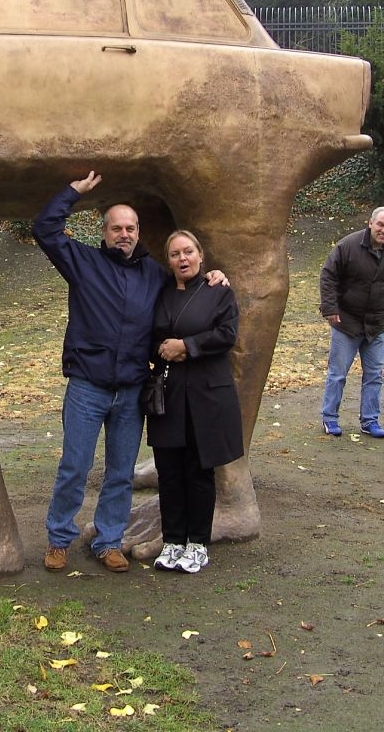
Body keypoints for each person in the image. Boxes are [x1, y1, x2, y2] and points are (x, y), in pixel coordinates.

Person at [33, 171, 226, 574]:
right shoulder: (83, 262)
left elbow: (185, 287)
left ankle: (108, 540)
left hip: (132, 390)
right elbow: (45, 229)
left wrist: (213, 277)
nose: (124, 234)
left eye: (131, 228)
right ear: (104, 232)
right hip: (88, 386)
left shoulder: (154, 275)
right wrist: (72, 193)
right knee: (75, 467)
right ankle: (59, 539)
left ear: (138, 232)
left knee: (120, 472)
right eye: (117, 228)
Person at [148, 230, 242, 575]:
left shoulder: (219, 291)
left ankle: (197, 543)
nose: (182, 259)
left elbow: (227, 334)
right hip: (169, 395)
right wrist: (161, 348)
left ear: (201, 255)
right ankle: (173, 541)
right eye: (175, 254)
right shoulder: (161, 293)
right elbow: (148, 335)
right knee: (169, 471)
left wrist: (186, 346)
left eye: (188, 252)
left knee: (199, 470)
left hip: (206, 394)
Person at [320, 206, 384, 438]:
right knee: (338, 374)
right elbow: (328, 276)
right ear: (370, 223)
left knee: (374, 376)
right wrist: (330, 308)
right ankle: (330, 418)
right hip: (346, 322)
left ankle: (370, 420)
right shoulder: (348, 245)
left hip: (377, 324)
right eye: (380, 225)